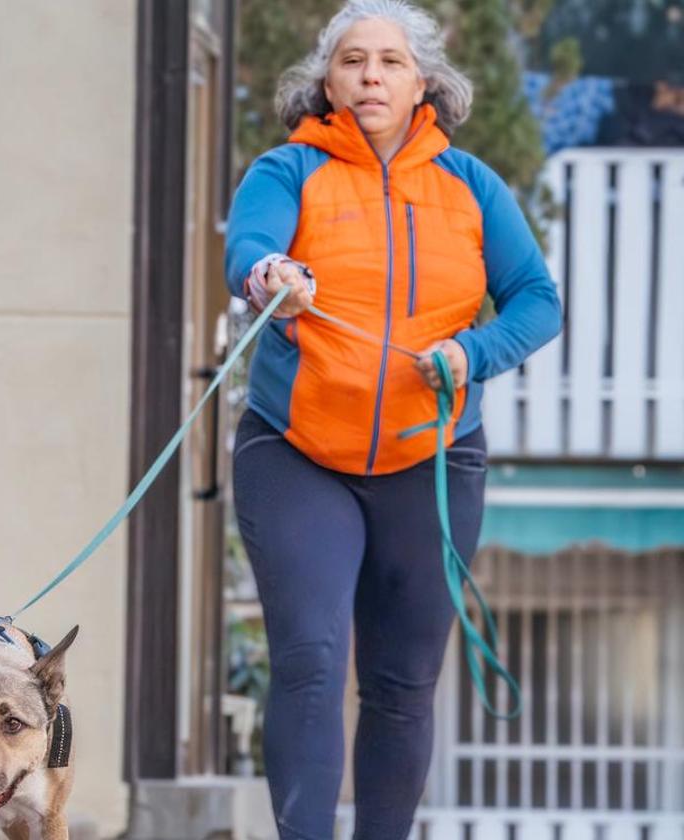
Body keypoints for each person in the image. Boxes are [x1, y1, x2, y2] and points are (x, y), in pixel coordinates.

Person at [223, 1, 562, 837]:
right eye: (351, 61)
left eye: (389, 62)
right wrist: (274, 273)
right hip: (298, 451)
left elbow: (537, 301)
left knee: (403, 682)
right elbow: (249, 252)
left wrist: (471, 354)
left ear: (424, 84)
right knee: (308, 661)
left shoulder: (472, 187)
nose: (370, 74)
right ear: (326, 82)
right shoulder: (288, 170)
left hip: (432, 458)